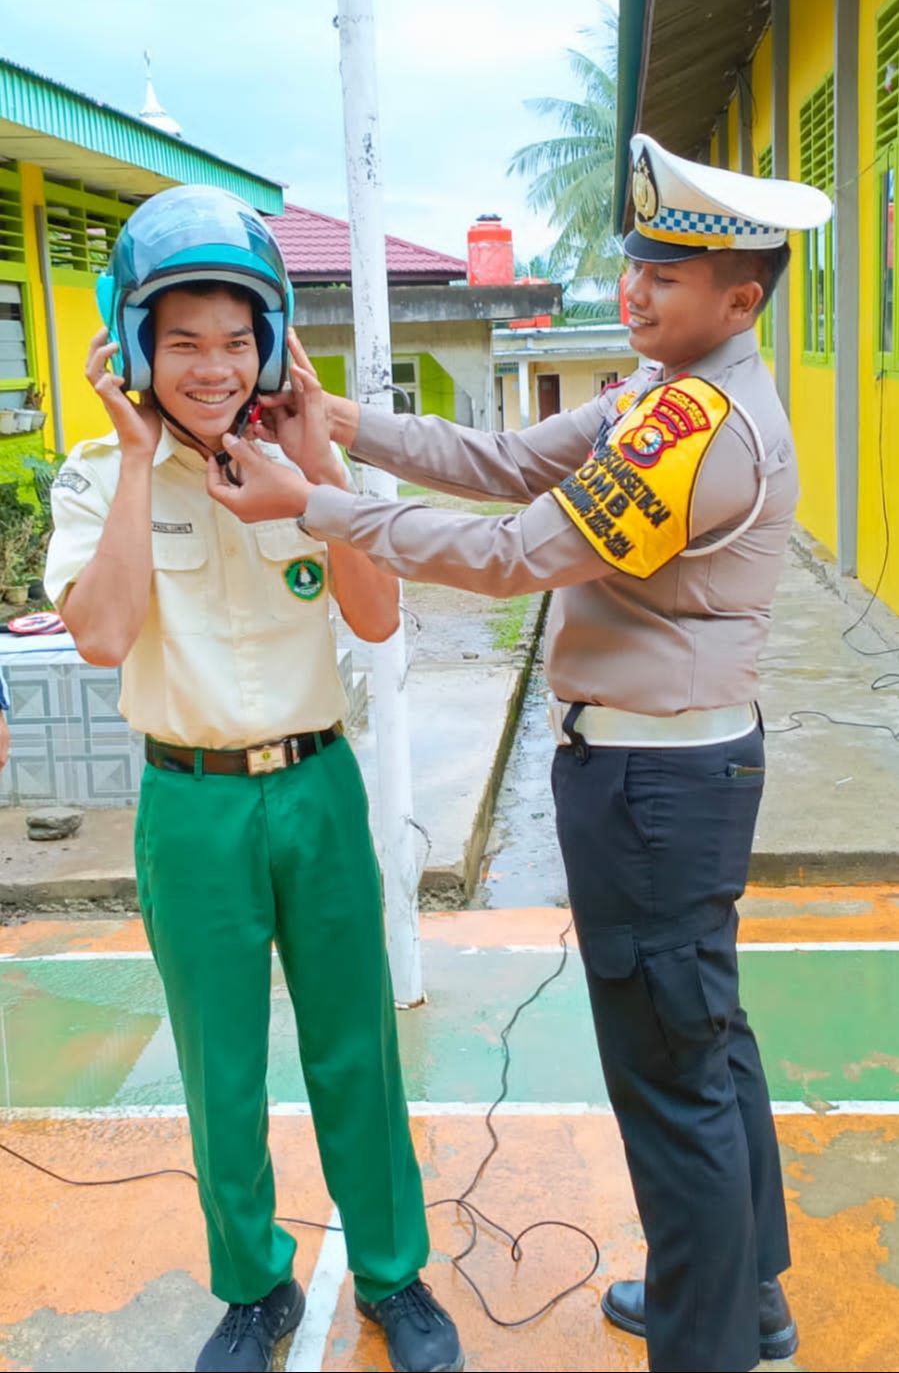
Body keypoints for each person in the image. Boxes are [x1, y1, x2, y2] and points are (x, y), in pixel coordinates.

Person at [205, 136, 832, 1373]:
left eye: (661, 275)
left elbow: (510, 553)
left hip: (654, 788)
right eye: (633, 265)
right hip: (668, 774)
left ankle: (705, 1345)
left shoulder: (692, 429)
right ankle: (738, 1296)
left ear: (739, 300)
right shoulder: (665, 394)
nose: (631, 293)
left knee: (670, 1079)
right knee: (703, 1044)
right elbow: (497, 463)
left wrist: (311, 502)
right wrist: (335, 423)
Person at [43, 186, 463, 1373]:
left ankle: (392, 1275)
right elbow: (103, 637)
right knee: (218, 1062)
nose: (213, 367)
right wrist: (137, 464)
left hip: (317, 790)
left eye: (237, 340)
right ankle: (253, 1288)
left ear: (270, 340)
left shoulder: (302, 463)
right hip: (191, 806)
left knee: (354, 1050)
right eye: (183, 343)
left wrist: (316, 466)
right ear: (135, 346)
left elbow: (374, 617)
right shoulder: (94, 477)